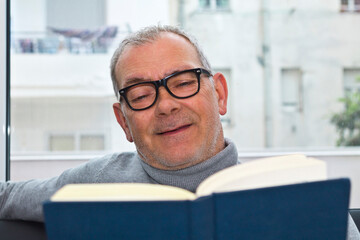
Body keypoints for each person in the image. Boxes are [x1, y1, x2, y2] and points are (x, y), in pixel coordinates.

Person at [0, 25, 359, 239]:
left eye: (184, 83)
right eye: (141, 95)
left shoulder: (296, 195)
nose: (166, 105)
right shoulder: (94, 183)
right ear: (124, 121)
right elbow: (7, 197)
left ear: (218, 94)